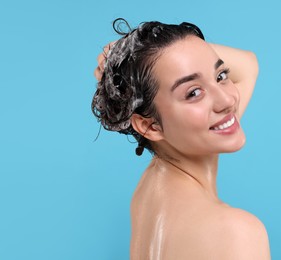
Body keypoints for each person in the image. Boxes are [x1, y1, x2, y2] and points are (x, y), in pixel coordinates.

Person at [92, 18, 270, 260]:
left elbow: (249, 65)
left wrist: (131, 52)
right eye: (193, 93)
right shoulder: (235, 231)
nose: (228, 100)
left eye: (220, 76)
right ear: (149, 125)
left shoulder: (152, 189)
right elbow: (248, 65)